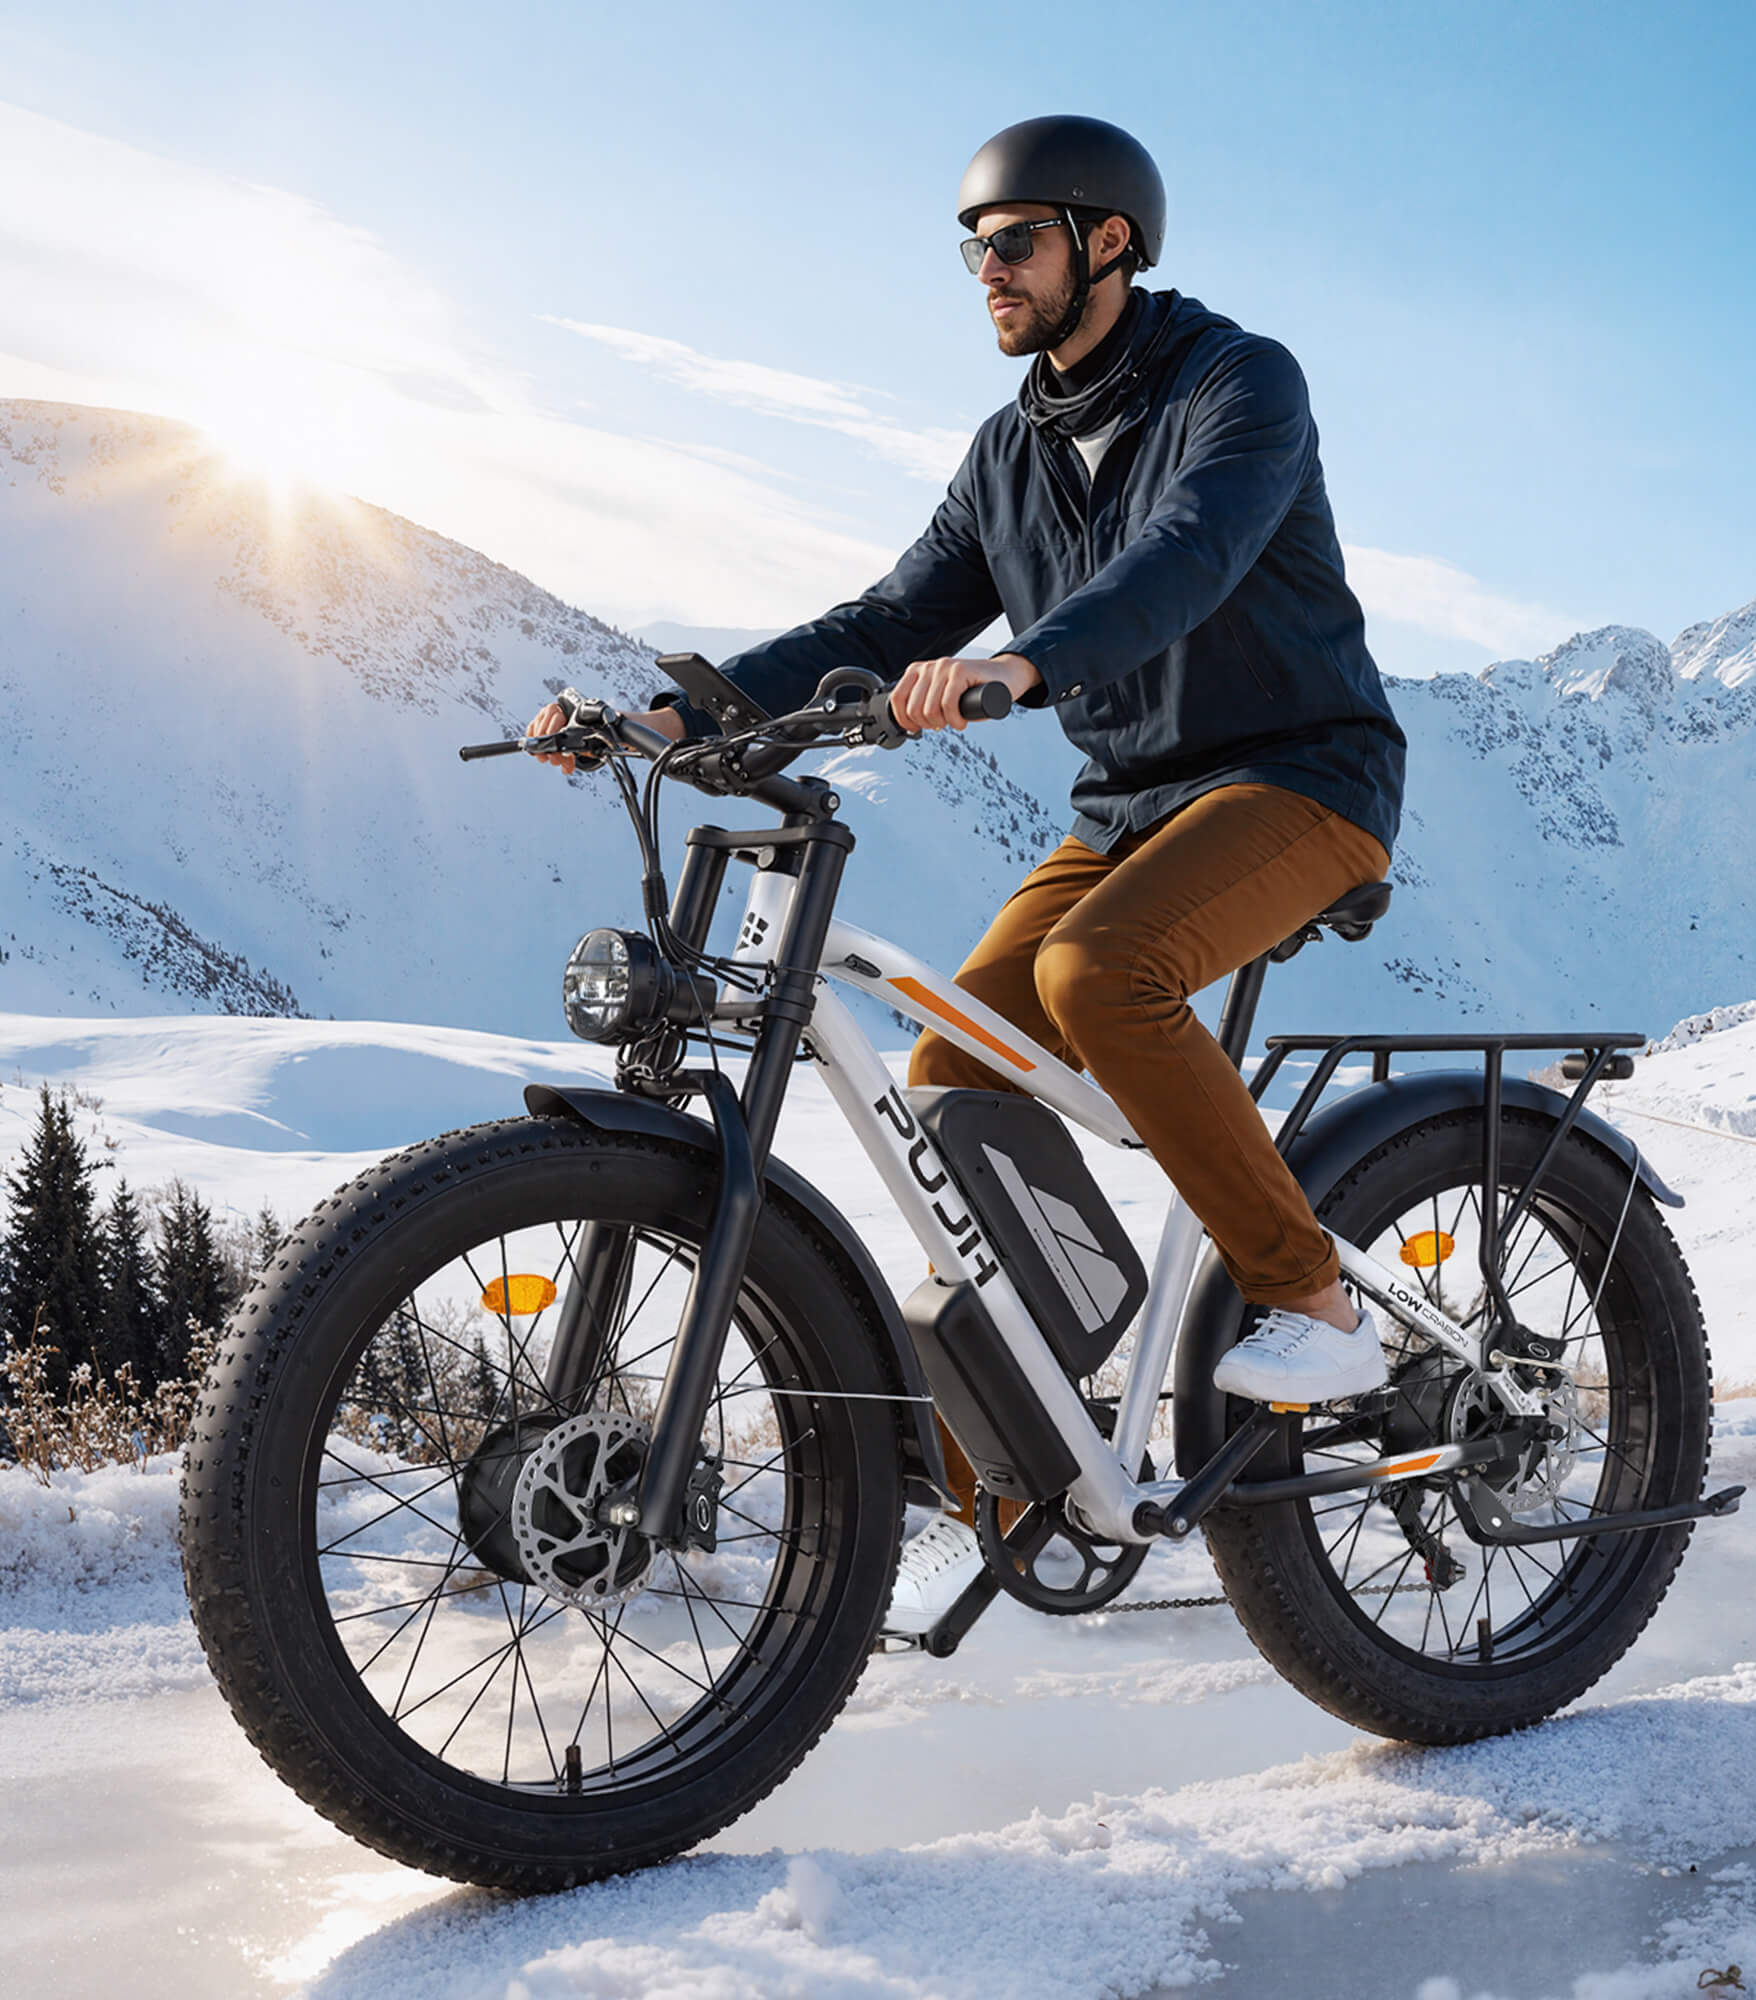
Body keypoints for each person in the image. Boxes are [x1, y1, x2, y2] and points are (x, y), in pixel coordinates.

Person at [530, 115, 1407, 1638]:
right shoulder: (1011, 452)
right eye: (972, 250)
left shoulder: (1236, 383)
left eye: (1013, 242)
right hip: (1131, 807)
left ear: (1109, 242)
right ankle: (1023, 1460)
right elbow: (885, 618)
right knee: (955, 1060)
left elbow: (1190, 555)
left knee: (1099, 974)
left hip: (1300, 778)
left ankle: (1309, 1298)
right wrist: (680, 716)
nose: (986, 271)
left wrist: (1022, 664)